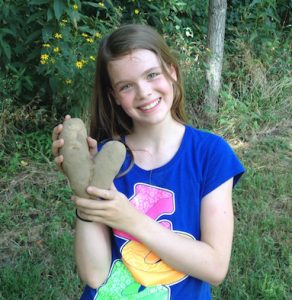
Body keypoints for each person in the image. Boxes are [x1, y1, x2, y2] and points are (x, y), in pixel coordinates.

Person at [52, 24, 245, 300]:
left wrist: (130, 220)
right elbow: (94, 275)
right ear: (114, 97)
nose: (143, 92)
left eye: (152, 75)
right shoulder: (108, 158)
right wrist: (83, 185)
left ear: (172, 73)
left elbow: (215, 267)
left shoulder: (210, 155)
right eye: (126, 86)